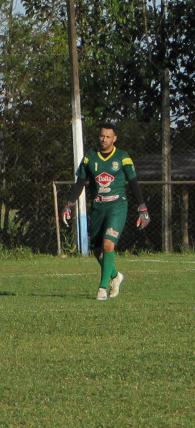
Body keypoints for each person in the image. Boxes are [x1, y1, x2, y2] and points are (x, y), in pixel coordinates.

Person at [62, 122, 150, 300]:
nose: (104, 139)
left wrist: (142, 207)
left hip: (117, 205)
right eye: (102, 135)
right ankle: (116, 276)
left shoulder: (123, 157)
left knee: (108, 243)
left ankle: (102, 288)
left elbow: (133, 182)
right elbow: (80, 182)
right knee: (97, 251)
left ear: (114, 139)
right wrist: (69, 204)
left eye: (108, 136)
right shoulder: (90, 158)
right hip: (97, 207)